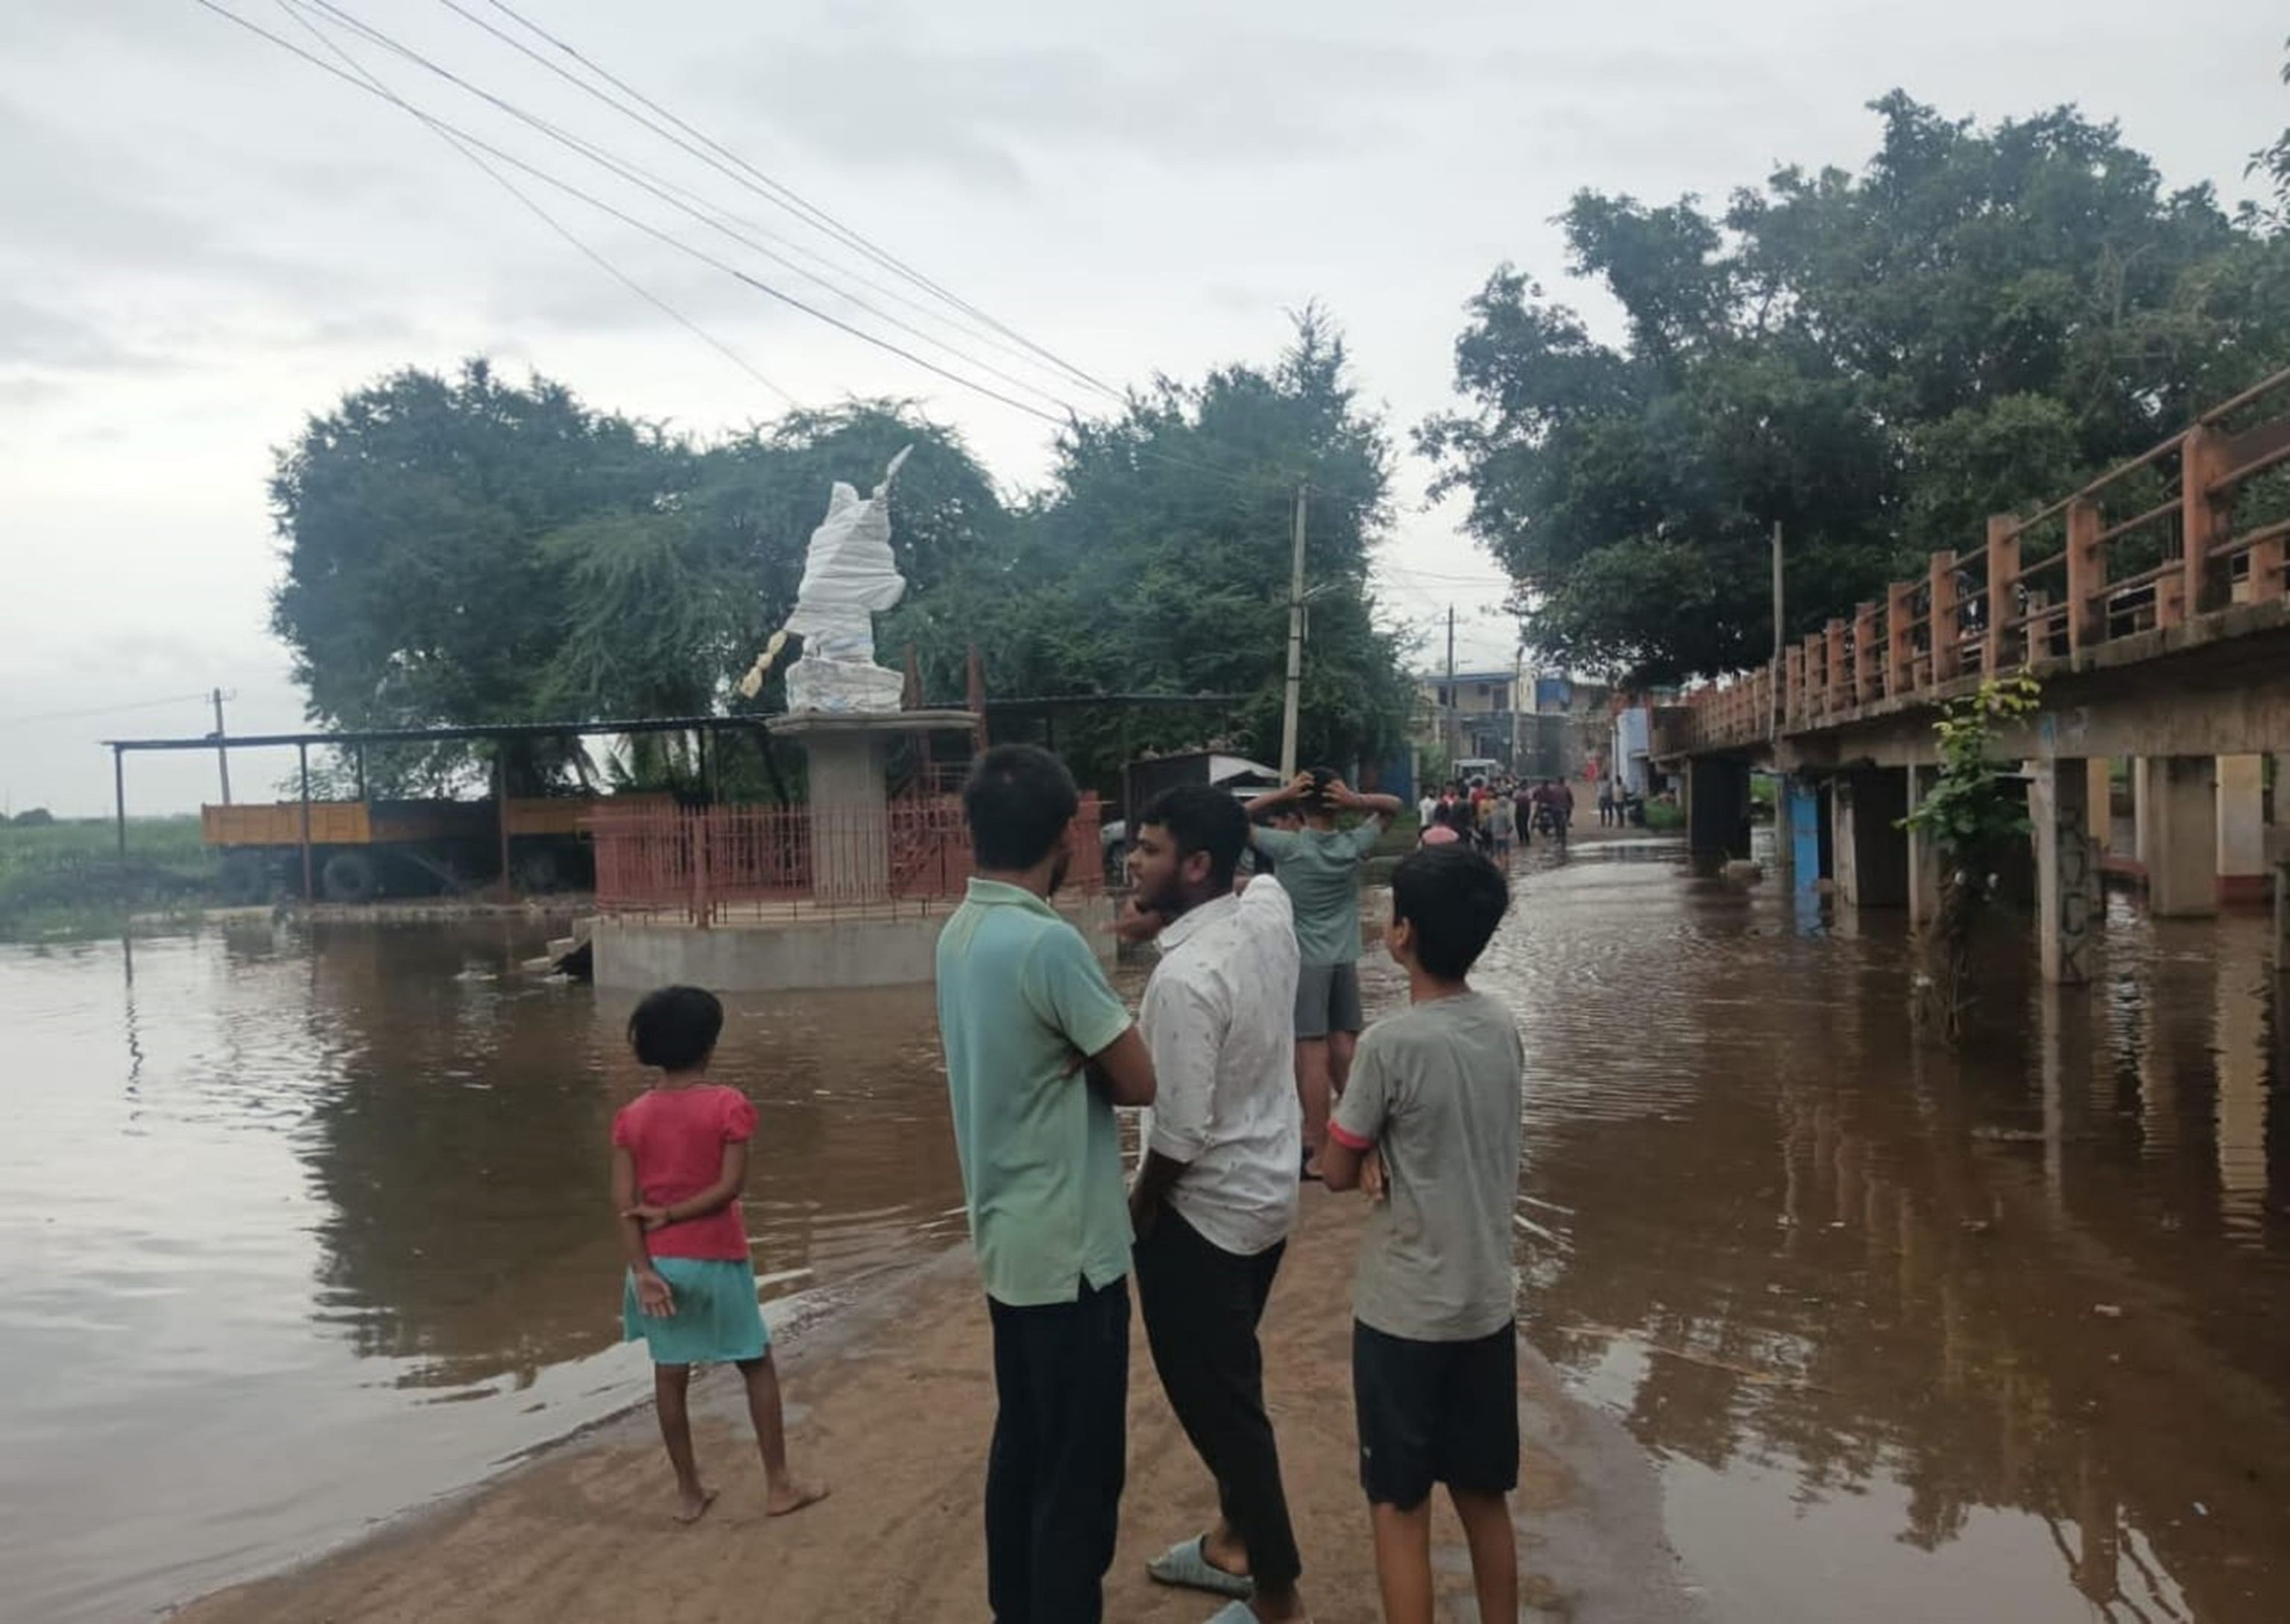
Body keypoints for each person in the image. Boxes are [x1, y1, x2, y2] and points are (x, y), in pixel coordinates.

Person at [936, 745, 1158, 1624]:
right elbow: (1140, 1079)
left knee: (1023, 1448)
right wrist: (1096, 1053)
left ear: (974, 828)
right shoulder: (1046, 941)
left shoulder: (960, 932)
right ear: (1067, 836)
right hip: (1072, 1255)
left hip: (1006, 1241)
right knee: (1080, 1475)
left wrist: (1079, 1056)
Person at [1121, 787, 1310, 1624]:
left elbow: (1181, 1132)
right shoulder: (1265, 911)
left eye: (1152, 848)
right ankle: (1234, 1541)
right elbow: (1262, 875)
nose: (1132, 859)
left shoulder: (1183, 980)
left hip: (1202, 1219)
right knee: (1235, 1378)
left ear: (1197, 866)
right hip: (1267, 1199)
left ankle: (1277, 1596)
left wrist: (1139, 1207)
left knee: (1223, 1411)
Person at [1321, 847, 1523, 1624]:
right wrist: (1380, 1150)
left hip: (1403, 1315)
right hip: (1483, 1306)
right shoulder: (1501, 1026)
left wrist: (1364, 1152)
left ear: (1401, 933)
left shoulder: (1389, 1046)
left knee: (1400, 1506)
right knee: (1483, 1496)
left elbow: (1336, 1167)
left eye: (1389, 911)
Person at [613, 985, 826, 1526]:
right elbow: (731, 1187)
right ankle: (778, 1483)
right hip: (718, 1258)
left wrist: (642, 1268)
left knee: (669, 1372)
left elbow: (625, 1205)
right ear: (709, 1045)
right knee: (754, 1361)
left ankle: (689, 1492)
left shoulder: (631, 1117)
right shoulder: (728, 1104)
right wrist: (679, 1214)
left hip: (658, 1266)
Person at [1245, 768, 1404, 1180]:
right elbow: (1394, 807)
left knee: (1310, 1053)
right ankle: (1363, 1138)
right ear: (1337, 803)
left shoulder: (1289, 847)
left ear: (1299, 806)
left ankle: (1320, 1150)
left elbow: (1226, 819)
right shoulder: (1353, 844)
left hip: (1305, 962)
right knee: (1345, 1045)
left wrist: (1280, 793)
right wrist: (1357, 801)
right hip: (1343, 956)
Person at [1487, 787, 1515, 862]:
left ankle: (1500, 865)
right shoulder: (1506, 813)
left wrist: (1491, 832)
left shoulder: (1492, 813)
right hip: (1504, 836)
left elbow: (1488, 825)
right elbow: (1510, 826)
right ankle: (1506, 866)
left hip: (1495, 836)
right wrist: (1508, 833)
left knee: (1497, 853)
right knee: (1506, 853)